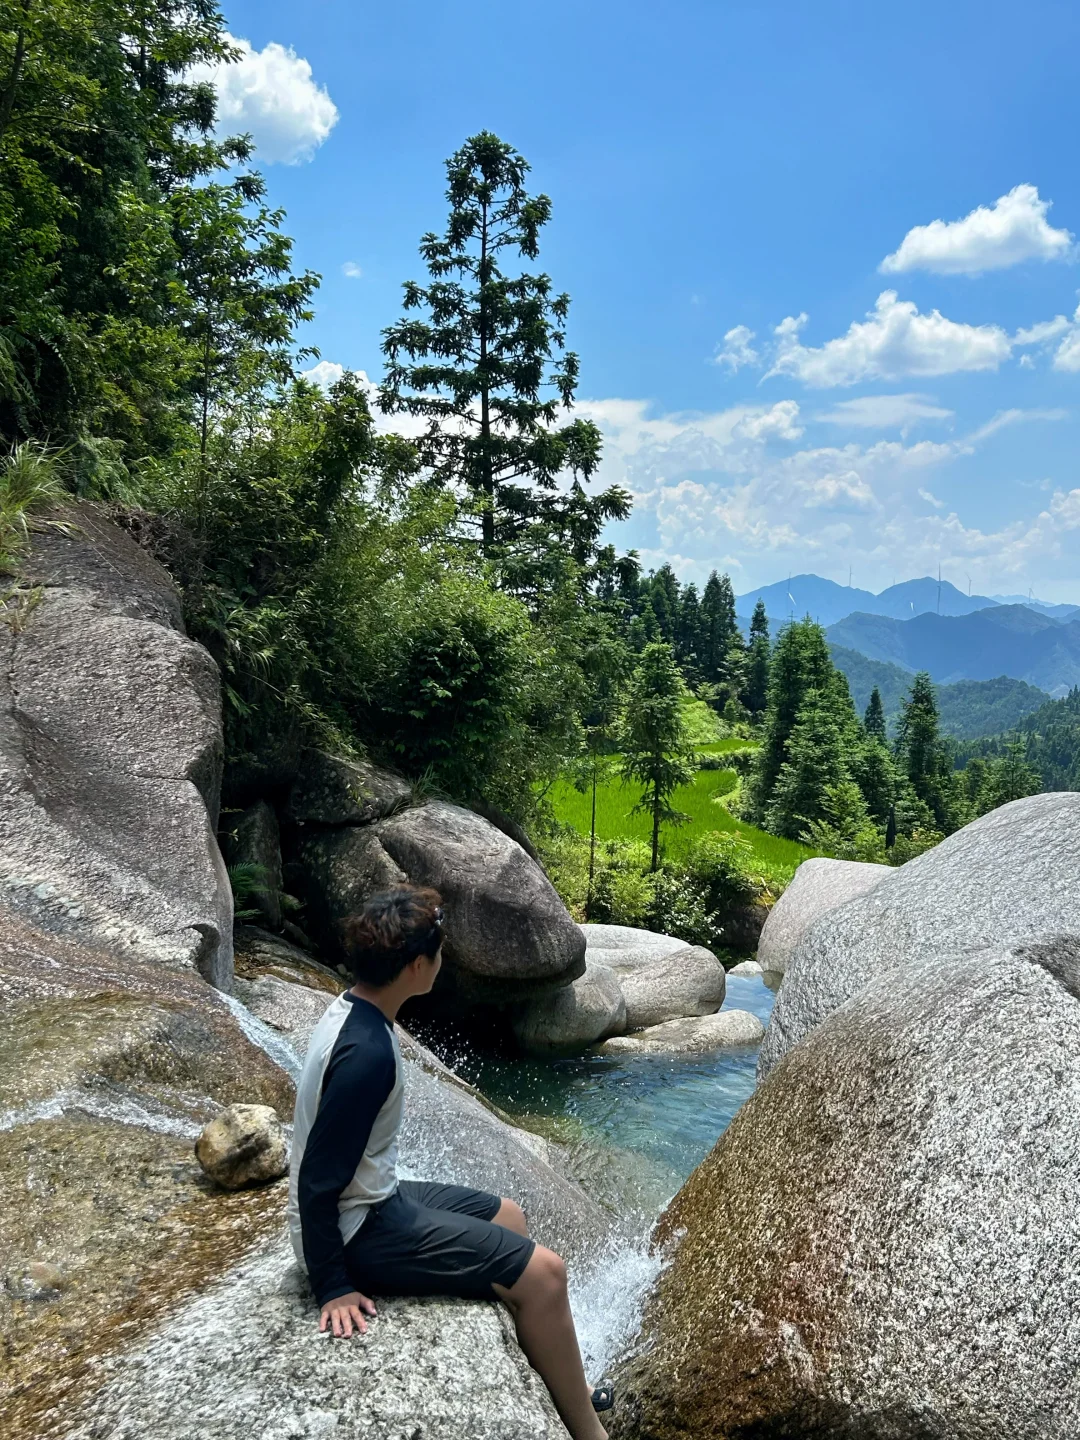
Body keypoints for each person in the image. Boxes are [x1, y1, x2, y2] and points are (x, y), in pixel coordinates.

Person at [287, 884, 612, 1440]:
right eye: (438, 952)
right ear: (416, 967)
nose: (444, 960)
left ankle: (553, 1376)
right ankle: (589, 1430)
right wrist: (332, 1284)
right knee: (547, 1274)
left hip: (373, 1199)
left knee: (509, 1215)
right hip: (352, 1231)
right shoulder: (365, 1056)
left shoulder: (357, 1010)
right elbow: (317, 1181)